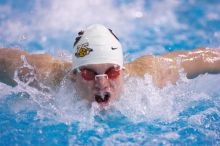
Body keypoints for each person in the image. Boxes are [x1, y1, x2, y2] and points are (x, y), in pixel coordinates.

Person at [0, 24, 219, 106]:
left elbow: (205, 57)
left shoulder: (150, 75)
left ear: (122, 71)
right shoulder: (45, 76)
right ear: (73, 74)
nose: (102, 84)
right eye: (88, 73)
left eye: (112, 71)